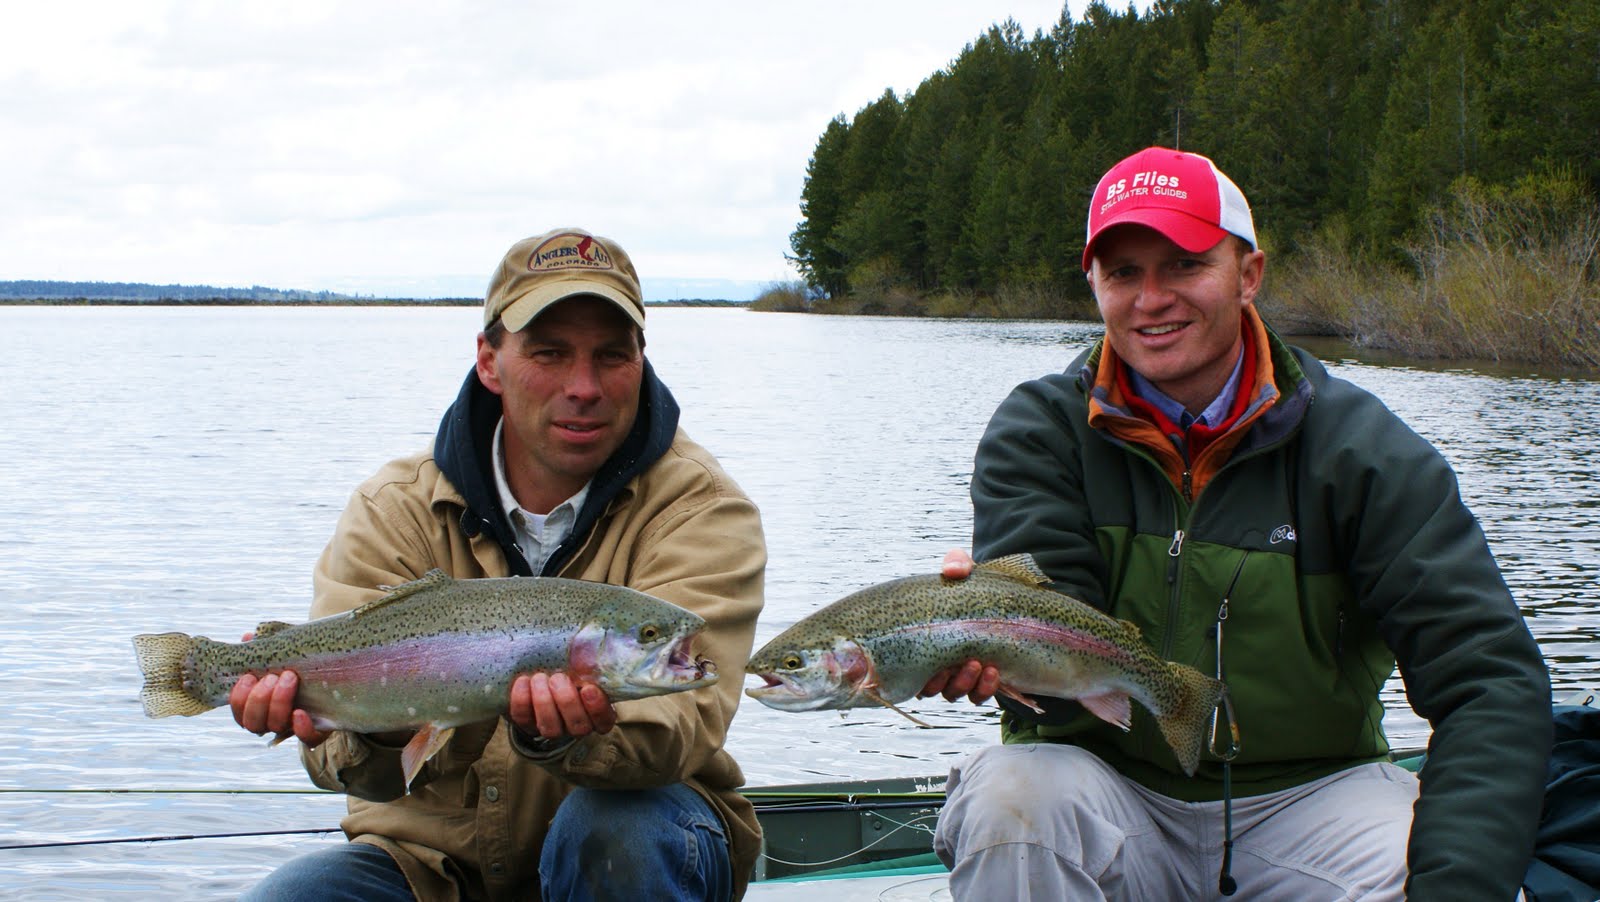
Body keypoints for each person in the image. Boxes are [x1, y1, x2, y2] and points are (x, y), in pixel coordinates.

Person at [924, 147, 1552, 900]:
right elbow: (1065, 644)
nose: (1151, 299)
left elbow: (1489, 683)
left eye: (1185, 265)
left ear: (1248, 274)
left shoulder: (1363, 453)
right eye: (1123, 272)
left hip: (1315, 797)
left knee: (1433, 872)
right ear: (1093, 283)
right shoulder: (1042, 430)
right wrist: (978, 638)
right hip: (1107, 786)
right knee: (1009, 805)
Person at [229, 227, 767, 901]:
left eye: (610, 355)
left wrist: (566, 737)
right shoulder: (393, 507)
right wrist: (383, 723)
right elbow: (342, 769)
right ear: (490, 361)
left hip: (644, 836)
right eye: (550, 353)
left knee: (615, 832)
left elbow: (683, 723)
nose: (584, 386)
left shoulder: (706, 511)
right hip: (426, 863)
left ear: (641, 358)